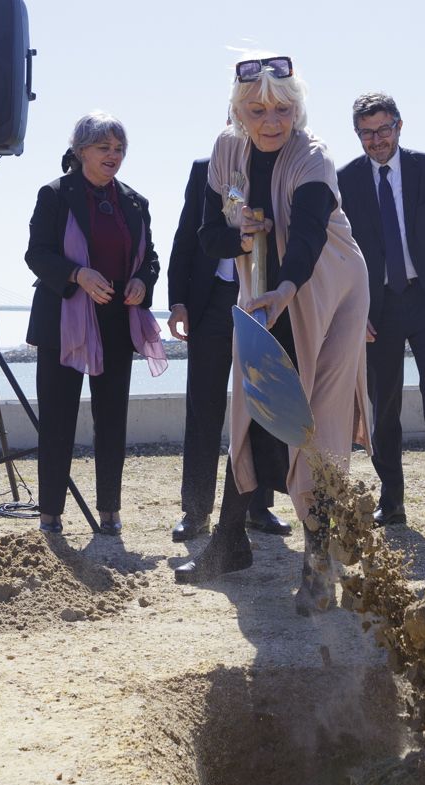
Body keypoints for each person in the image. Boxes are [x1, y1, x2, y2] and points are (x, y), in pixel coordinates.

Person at [172, 55, 371, 617]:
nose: (270, 120)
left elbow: (308, 234)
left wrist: (286, 285)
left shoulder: (313, 156)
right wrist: (239, 239)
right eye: (257, 109)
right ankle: (230, 542)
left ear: (296, 108)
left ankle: (319, 564)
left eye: (281, 108)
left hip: (327, 292)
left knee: (316, 421)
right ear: (238, 112)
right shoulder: (225, 152)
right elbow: (208, 234)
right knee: (252, 408)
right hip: (262, 293)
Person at [23, 111, 166, 537]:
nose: (113, 156)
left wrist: (143, 281)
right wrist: (77, 275)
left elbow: (152, 259)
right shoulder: (55, 194)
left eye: (119, 149)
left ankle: (110, 511)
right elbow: (36, 254)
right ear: (81, 150)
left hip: (117, 319)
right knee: (57, 417)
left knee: (112, 419)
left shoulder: (135, 202)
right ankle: (50, 514)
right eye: (104, 148)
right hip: (64, 317)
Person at [337, 92, 425, 529]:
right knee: (384, 407)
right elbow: (339, 254)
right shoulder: (345, 180)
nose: (376, 140)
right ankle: (391, 501)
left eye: (383, 129)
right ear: (357, 134)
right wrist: (354, 312)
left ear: (399, 125)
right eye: (366, 133)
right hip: (378, 310)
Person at [166, 157, 291, 542]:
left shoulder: (278, 165)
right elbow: (187, 235)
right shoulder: (206, 169)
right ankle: (196, 510)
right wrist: (177, 301)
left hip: (261, 301)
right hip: (211, 302)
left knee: (259, 406)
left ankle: (258, 506)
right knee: (203, 407)